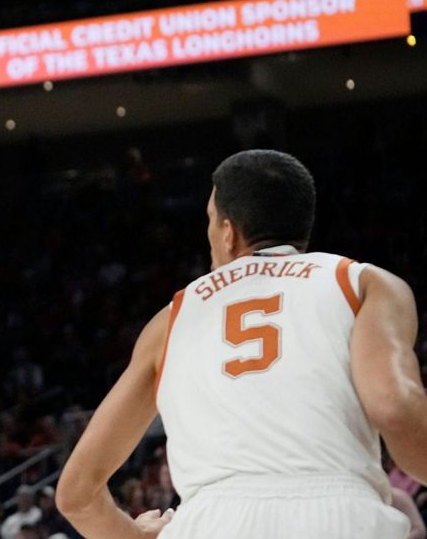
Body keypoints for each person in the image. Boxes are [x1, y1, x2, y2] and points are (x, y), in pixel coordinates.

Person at [56, 149, 427, 538]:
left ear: (228, 232)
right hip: (340, 517)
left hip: (209, 524)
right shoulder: (363, 284)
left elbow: (76, 496)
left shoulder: (171, 321)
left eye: (209, 223)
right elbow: (394, 407)